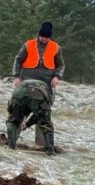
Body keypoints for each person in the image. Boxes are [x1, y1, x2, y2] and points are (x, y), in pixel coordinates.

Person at [11, 20, 64, 155]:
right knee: (19, 111)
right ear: (39, 34)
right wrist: (16, 76)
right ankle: (12, 142)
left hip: (46, 85)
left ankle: (41, 145)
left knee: (43, 113)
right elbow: (18, 60)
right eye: (42, 36)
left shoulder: (56, 48)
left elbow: (60, 65)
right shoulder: (28, 45)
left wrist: (56, 77)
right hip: (26, 84)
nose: (44, 39)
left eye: (47, 37)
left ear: (50, 36)